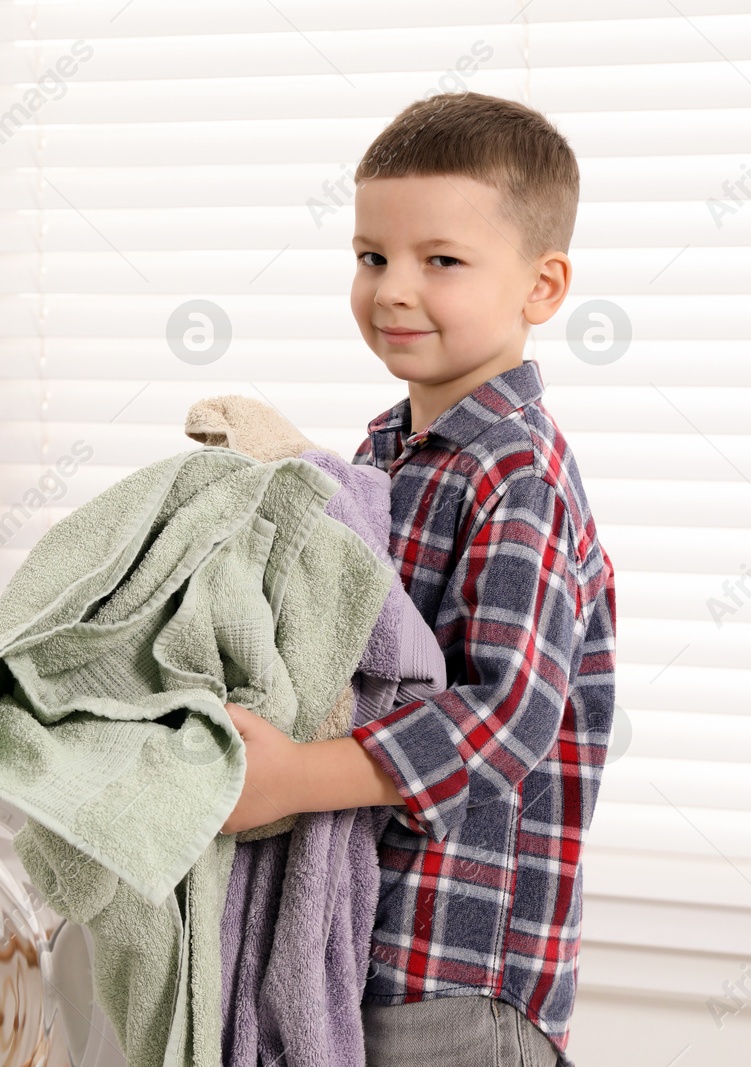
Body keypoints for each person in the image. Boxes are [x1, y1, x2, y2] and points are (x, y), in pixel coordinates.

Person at [219, 91, 618, 1067]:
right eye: (370, 257)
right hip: (366, 948)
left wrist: (294, 777)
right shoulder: (388, 448)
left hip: (460, 972)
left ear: (541, 286)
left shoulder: (514, 472)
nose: (393, 289)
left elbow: (507, 714)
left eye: (439, 260)